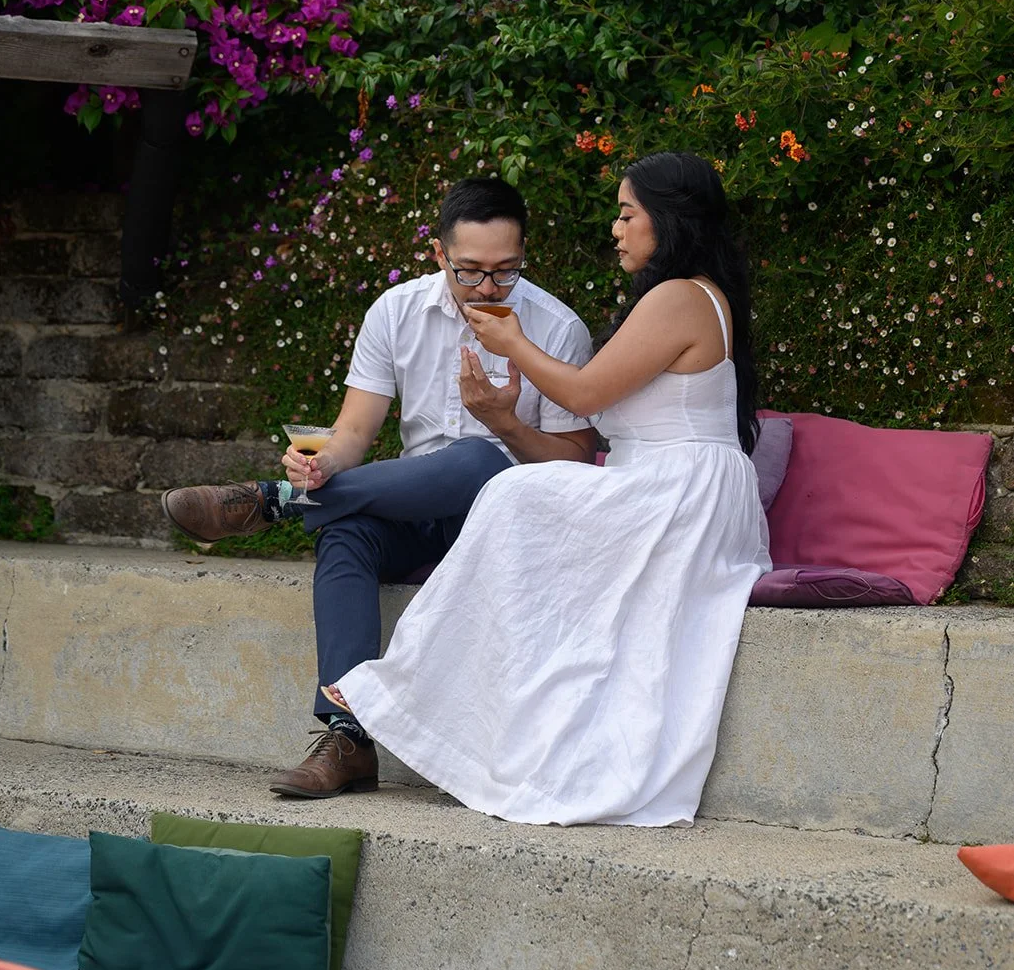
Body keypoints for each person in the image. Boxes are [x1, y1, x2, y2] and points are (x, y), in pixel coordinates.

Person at [325, 151, 772, 827]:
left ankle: (396, 683)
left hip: (674, 489)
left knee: (510, 493)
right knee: (505, 495)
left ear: (667, 220)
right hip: (666, 483)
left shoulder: (678, 297)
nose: (615, 229)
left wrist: (512, 344)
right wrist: (505, 413)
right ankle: (392, 693)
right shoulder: (689, 295)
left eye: (626, 214)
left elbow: (585, 395)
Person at [161, 177, 596, 797]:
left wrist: (504, 423)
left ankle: (273, 503)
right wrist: (318, 466)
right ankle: (348, 737)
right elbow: (353, 433)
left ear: (524, 255)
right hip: (414, 506)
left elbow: (575, 464)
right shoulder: (396, 311)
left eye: (506, 271)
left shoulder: (555, 327)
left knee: (477, 458)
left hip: (506, 522)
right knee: (346, 533)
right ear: (439, 254)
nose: (488, 288)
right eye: (471, 271)